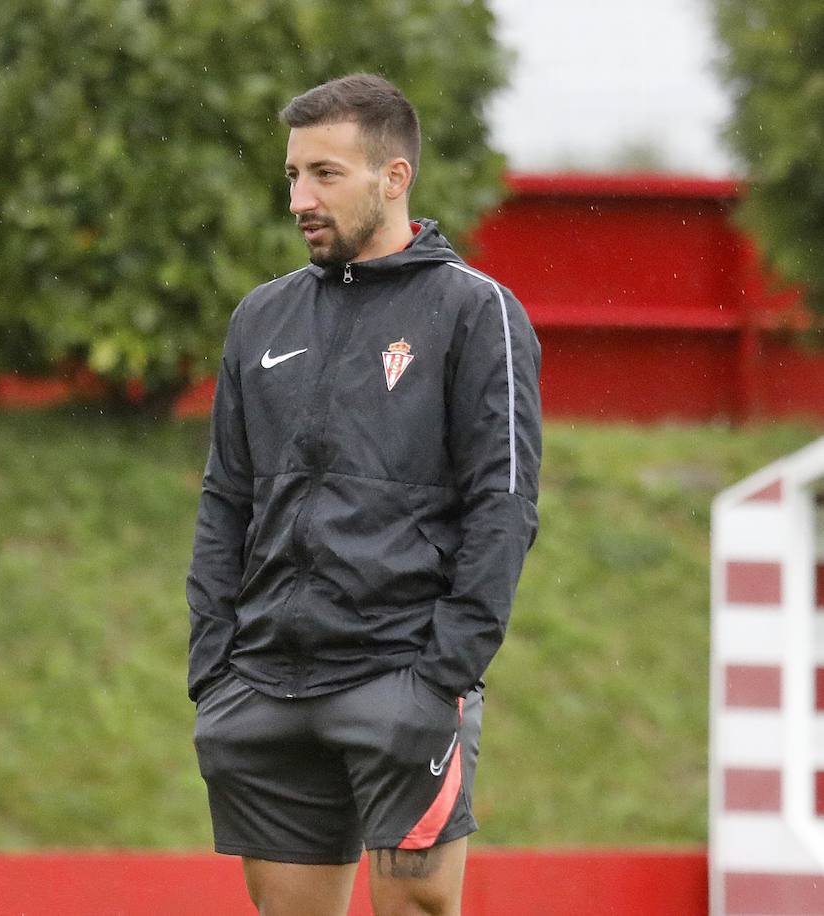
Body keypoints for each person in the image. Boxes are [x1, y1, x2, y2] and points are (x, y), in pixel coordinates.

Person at [187, 73, 541, 916]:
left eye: (325, 175)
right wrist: (215, 669)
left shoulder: (473, 310)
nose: (300, 198)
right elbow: (224, 504)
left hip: (399, 676)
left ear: (394, 177)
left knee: (418, 910)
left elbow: (505, 505)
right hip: (263, 686)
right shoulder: (260, 319)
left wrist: (442, 673)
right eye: (292, 176)